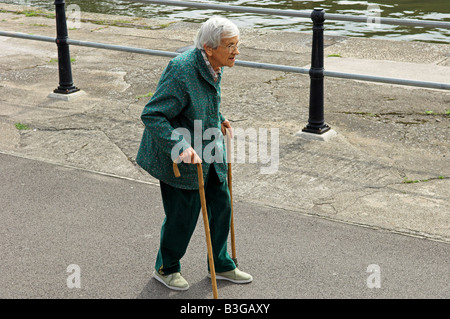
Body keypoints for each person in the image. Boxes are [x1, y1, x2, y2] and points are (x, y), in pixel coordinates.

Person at [136, 16, 253, 291]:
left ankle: (221, 264)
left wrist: (219, 117)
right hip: (180, 154)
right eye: (230, 46)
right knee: (182, 215)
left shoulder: (215, 64)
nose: (236, 51)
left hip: (208, 145)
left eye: (237, 44)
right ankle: (167, 268)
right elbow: (153, 114)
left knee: (221, 205)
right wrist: (180, 145)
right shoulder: (181, 69)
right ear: (209, 48)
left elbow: (201, 101)